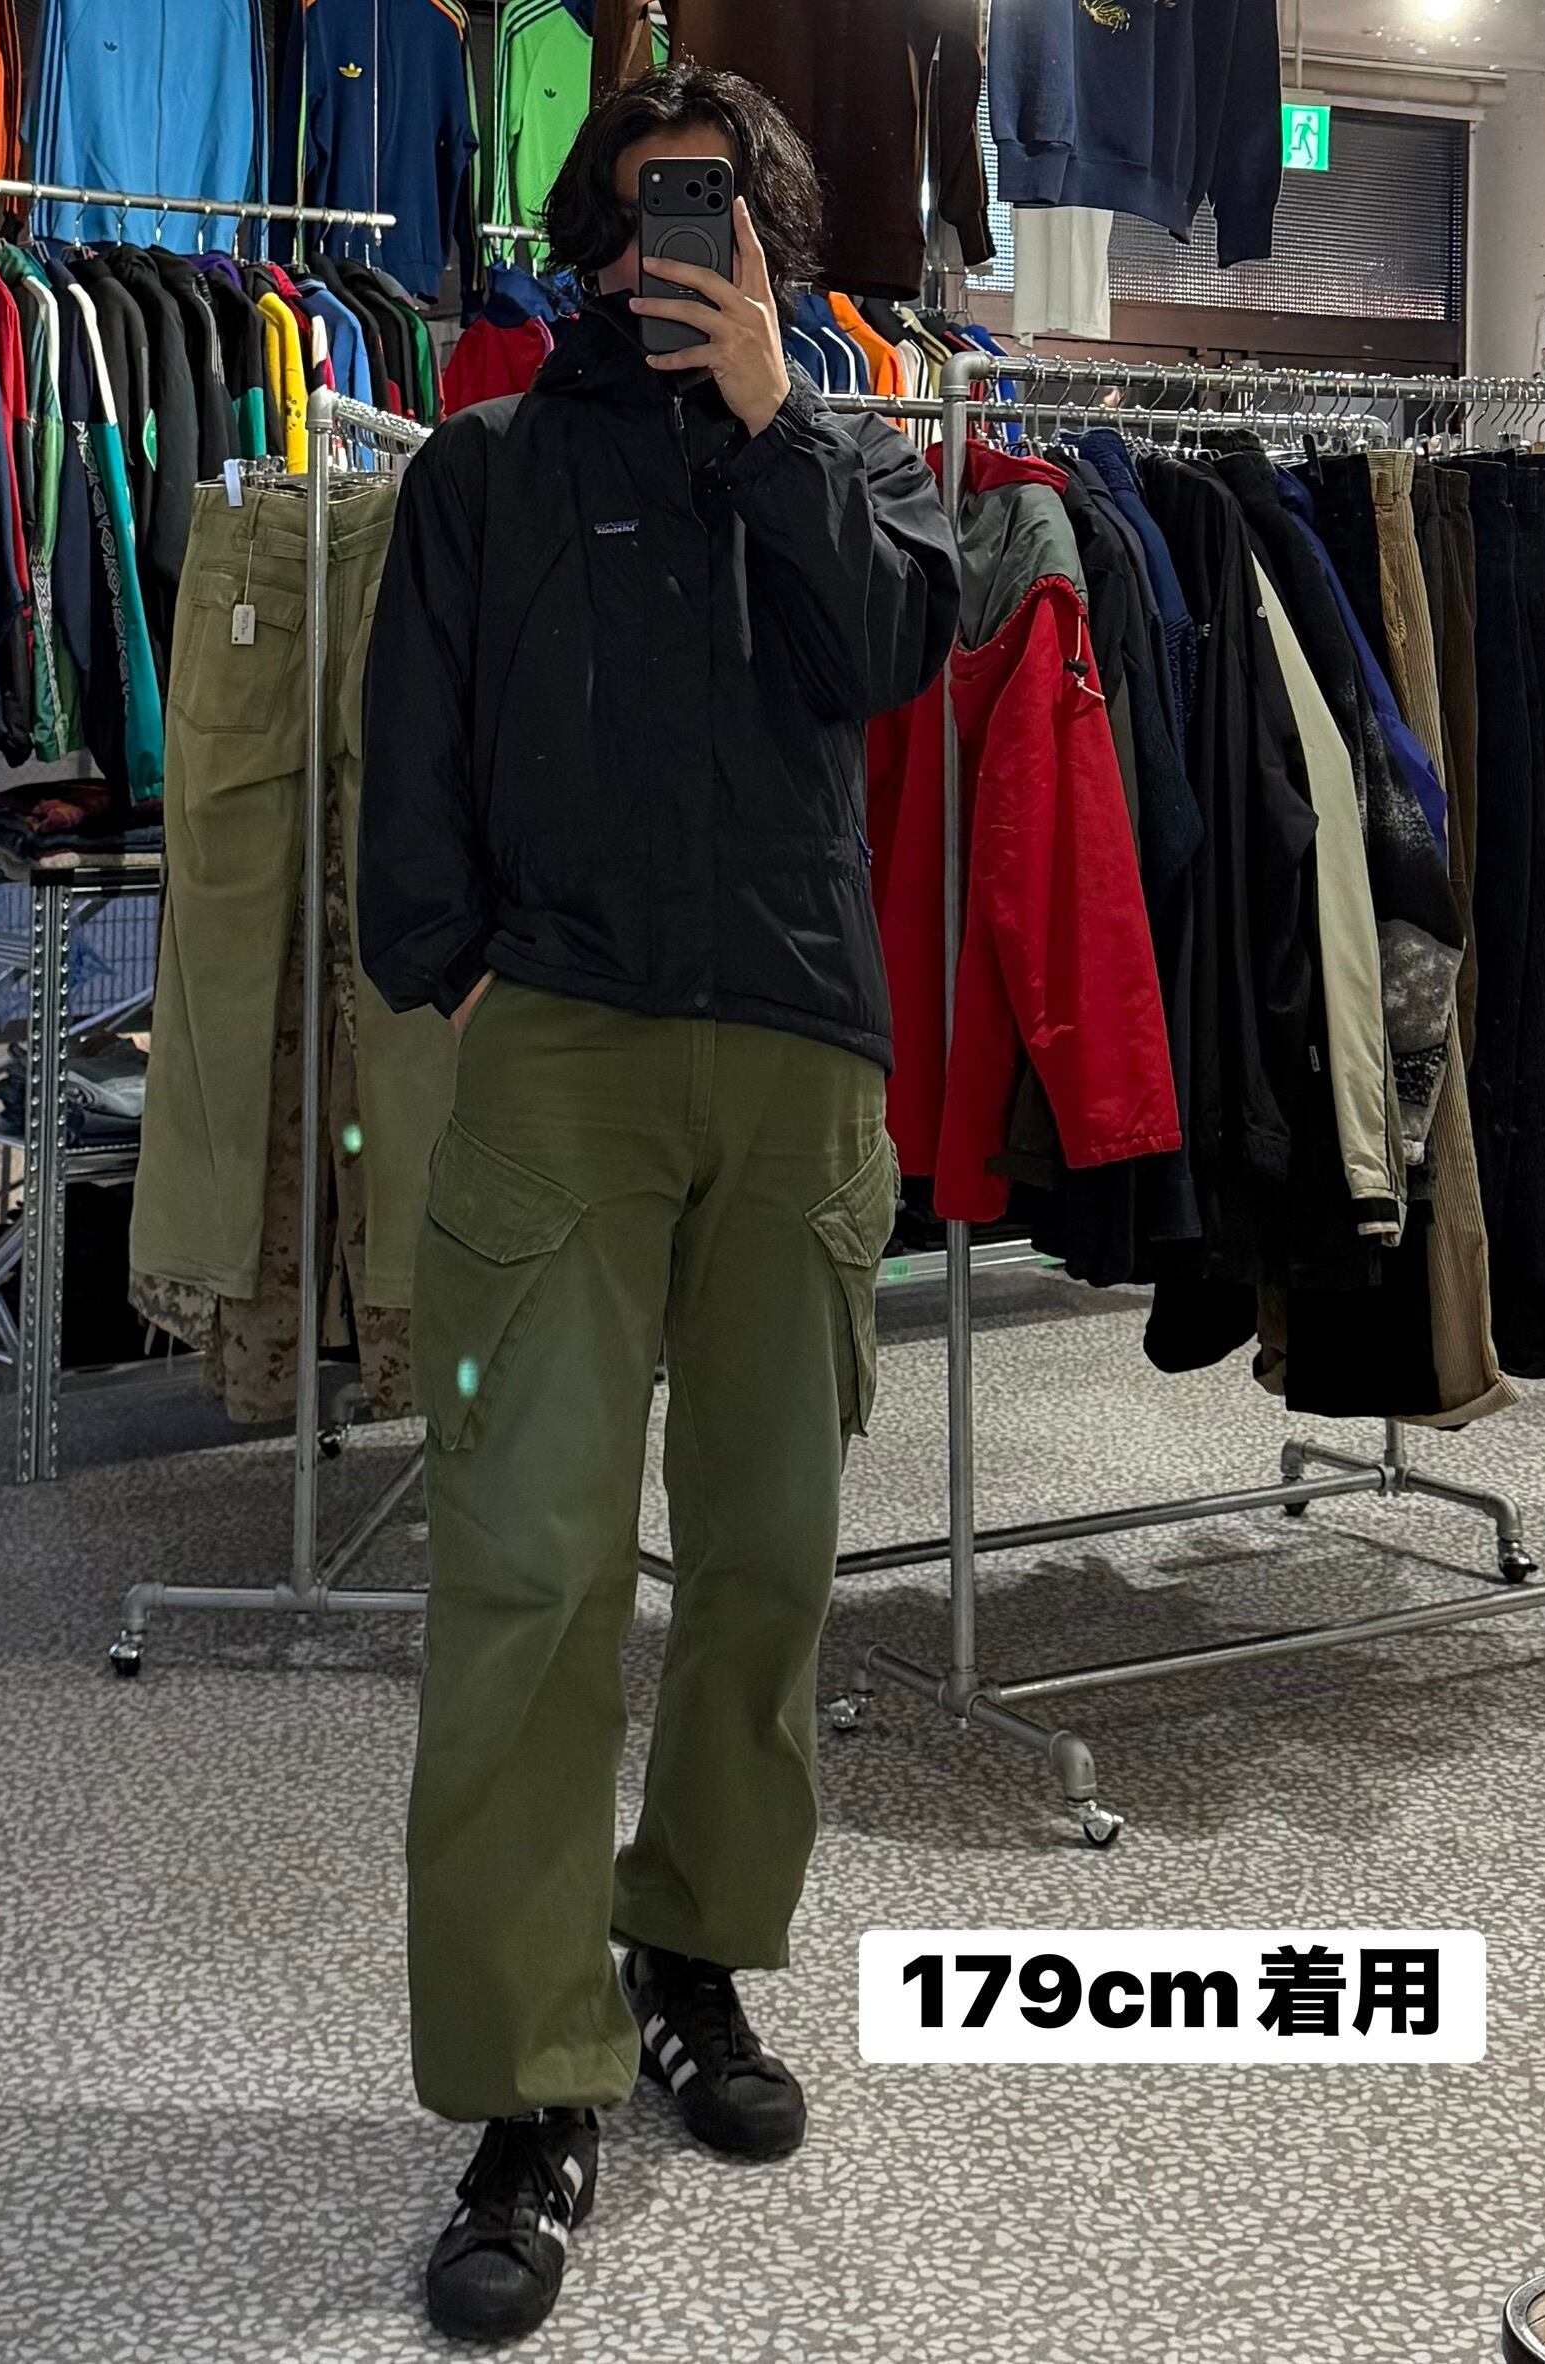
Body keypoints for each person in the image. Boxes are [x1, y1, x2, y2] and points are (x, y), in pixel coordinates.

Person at [359, 63, 961, 2345]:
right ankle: (530, 2082)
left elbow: (886, 661)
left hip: (800, 1054)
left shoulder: (852, 457)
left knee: (770, 1559)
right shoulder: (486, 470)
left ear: (773, 252)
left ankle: (689, 1954)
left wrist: (780, 417)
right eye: (629, 219)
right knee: (523, 1570)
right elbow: (407, 754)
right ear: (579, 243)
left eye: (704, 218)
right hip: (565, 1056)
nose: (659, 256)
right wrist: (458, 969)